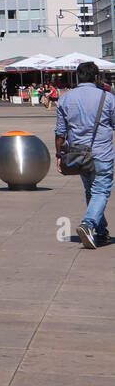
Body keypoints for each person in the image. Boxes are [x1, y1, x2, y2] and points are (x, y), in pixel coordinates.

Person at [55, 62, 115, 249]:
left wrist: (59, 155)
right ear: (96, 77)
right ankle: (88, 225)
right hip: (102, 154)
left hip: (78, 155)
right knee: (100, 192)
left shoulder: (65, 98)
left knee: (91, 192)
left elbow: (60, 133)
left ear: (77, 77)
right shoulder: (108, 98)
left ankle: (102, 232)